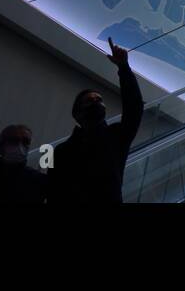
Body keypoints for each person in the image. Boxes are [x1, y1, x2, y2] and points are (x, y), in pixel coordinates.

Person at [47, 38, 143, 203]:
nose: (97, 103)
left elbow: (134, 108)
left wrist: (124, 68)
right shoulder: (62, 152)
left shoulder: (116, 136)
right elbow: (54, 192)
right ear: (77, 114)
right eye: (90, 101)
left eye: (99, 100)